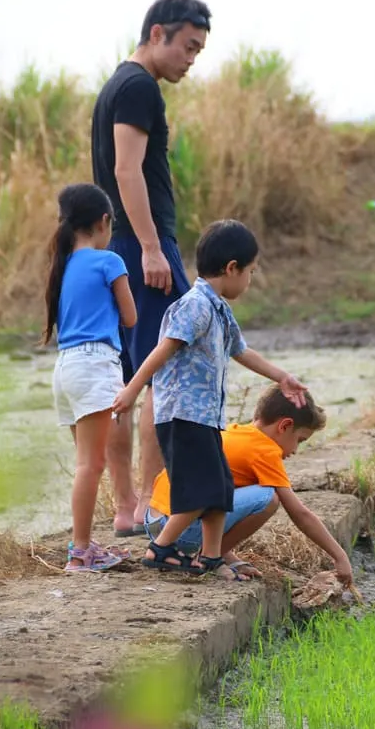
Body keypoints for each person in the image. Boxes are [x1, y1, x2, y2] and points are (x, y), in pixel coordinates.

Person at [111, 219, 310, 576]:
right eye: (250, 272)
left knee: (219, 491)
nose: (249, 281)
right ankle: (159, 548)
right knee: (202, 491)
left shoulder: (220, 310)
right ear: (232, 268)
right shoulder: (195, 306)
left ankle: (211, 557)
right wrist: (133, 389)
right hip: (183, 415)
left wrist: (281, 376)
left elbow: (242, 352)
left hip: (206, 417)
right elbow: (163, 350)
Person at [91, 0, 213, 537]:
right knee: (161, 373)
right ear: (157, 33)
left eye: (199, 51)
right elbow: (125, 170)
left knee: (126, 377)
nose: (191, 59)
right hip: (142, 248)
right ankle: (146, 505)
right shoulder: (139, 86)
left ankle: (126, 508)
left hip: (123, 246)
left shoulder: (119, 83)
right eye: (188, 47)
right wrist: (149, 246)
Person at [144, 385, 354, 584]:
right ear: (285, 426)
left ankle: (219, 554)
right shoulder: (265, 450)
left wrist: (233, 558)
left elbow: (215, 503)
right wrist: (339, 556)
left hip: (154, 521)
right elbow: (300, 514)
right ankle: (210, 558)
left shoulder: (235, 431)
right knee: (267, 498)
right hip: (181, 533)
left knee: (222, 488)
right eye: (300, 440)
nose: (296, 450)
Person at [42, 183, 138, 573]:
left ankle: (83, 547)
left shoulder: (62, 265)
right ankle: (80, 551)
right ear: (104, 222)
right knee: (90, 466)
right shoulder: (109, 261)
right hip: (96, 365)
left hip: (65, 369)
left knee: (86, 463)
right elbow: (131, 317)